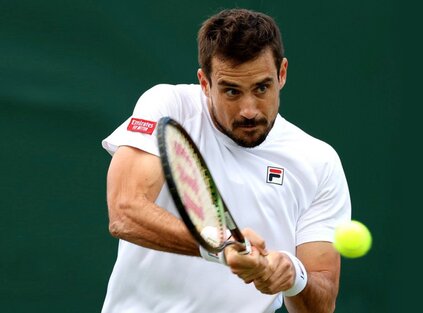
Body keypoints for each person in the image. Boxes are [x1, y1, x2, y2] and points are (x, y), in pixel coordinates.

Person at [101, 8, 351, 313]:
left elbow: (321, 303)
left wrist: (293, 276)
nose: (249, 109)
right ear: (205, 83)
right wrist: (223, 246)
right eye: (231, 90)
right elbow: (125, 212)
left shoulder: (319, 161)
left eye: (262, 87)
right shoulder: (169, 107)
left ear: (281, 74)